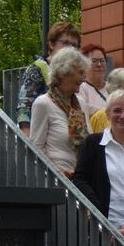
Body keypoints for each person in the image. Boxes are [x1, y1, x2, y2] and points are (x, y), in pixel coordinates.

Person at [73, 89, 124, 241]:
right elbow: (80, 179)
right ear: (107, 114)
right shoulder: (93, 143)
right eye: (117, 110)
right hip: (105, 230)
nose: (122, 116)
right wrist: (95, 206)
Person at [29, 47, 90, 176]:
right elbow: (36, 150)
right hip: (55, 179)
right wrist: (58, 172)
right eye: (80, 73)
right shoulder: (43, 103)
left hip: (81, 178)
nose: (84, 78)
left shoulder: (81, 104)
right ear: (64, 73)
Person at [16, 21, 79, 135]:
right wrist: (27, 139)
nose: (70, 48)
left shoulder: (75, 72)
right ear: (51, 44)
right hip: (40, 132)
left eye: (74, 45)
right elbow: (24, 108)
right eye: (65, 43)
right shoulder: (38, 68)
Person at [77, 43, 108, 121]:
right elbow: (83, 108)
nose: (99, 64)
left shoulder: (113, 88)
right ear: (84, 65)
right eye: (94, 61)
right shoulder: (79, 87)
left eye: (102, 61)